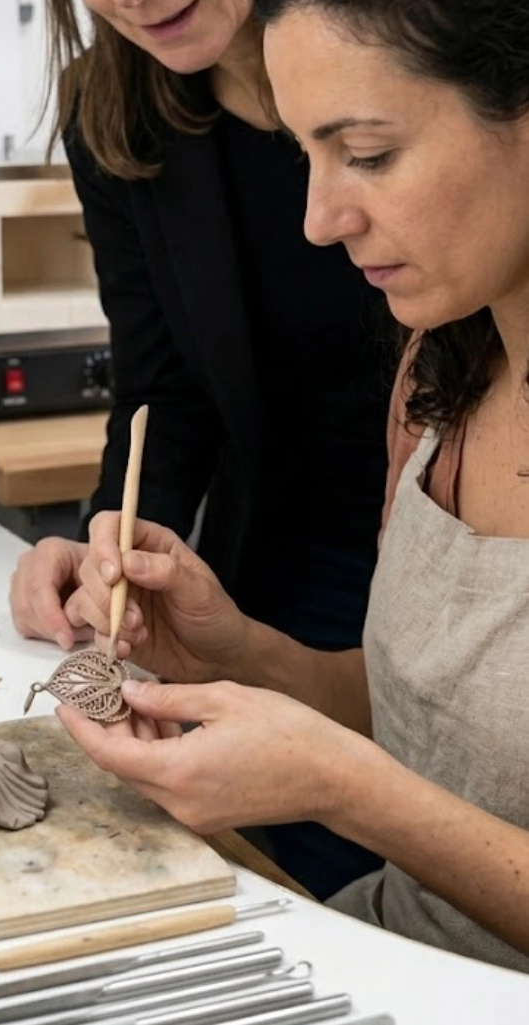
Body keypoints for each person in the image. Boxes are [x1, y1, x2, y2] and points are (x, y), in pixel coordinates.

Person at [52, 0, 529, 973]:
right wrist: (237, 652)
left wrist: (342, 788)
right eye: (307, 153)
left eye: (365, 152)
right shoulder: (440, 375)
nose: (316, 222)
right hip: (390, 950)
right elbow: (437, 717)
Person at [10, 0, 392, 897]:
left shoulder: (421, 46)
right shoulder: (114, 108)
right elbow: (162, 388)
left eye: (369, 157)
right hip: (279, 555)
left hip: (472, 528)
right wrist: (115, 537)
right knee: (288, 888)